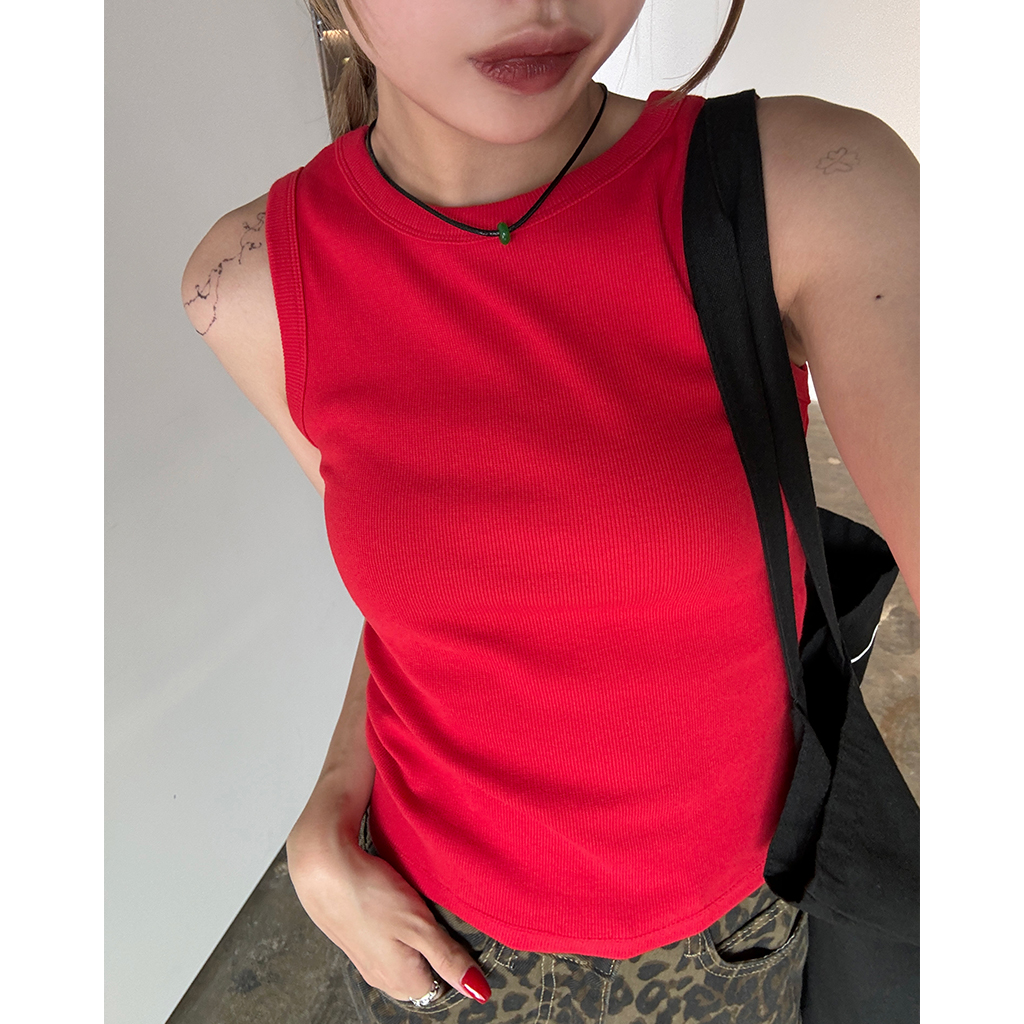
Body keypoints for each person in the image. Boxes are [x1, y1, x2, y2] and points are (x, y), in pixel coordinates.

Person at [181, 1, 919, 1020]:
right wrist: (325, 823)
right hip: (433, 934)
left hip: (723, 935)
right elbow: (430, 610)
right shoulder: (251, 283)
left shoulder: (805, 188)